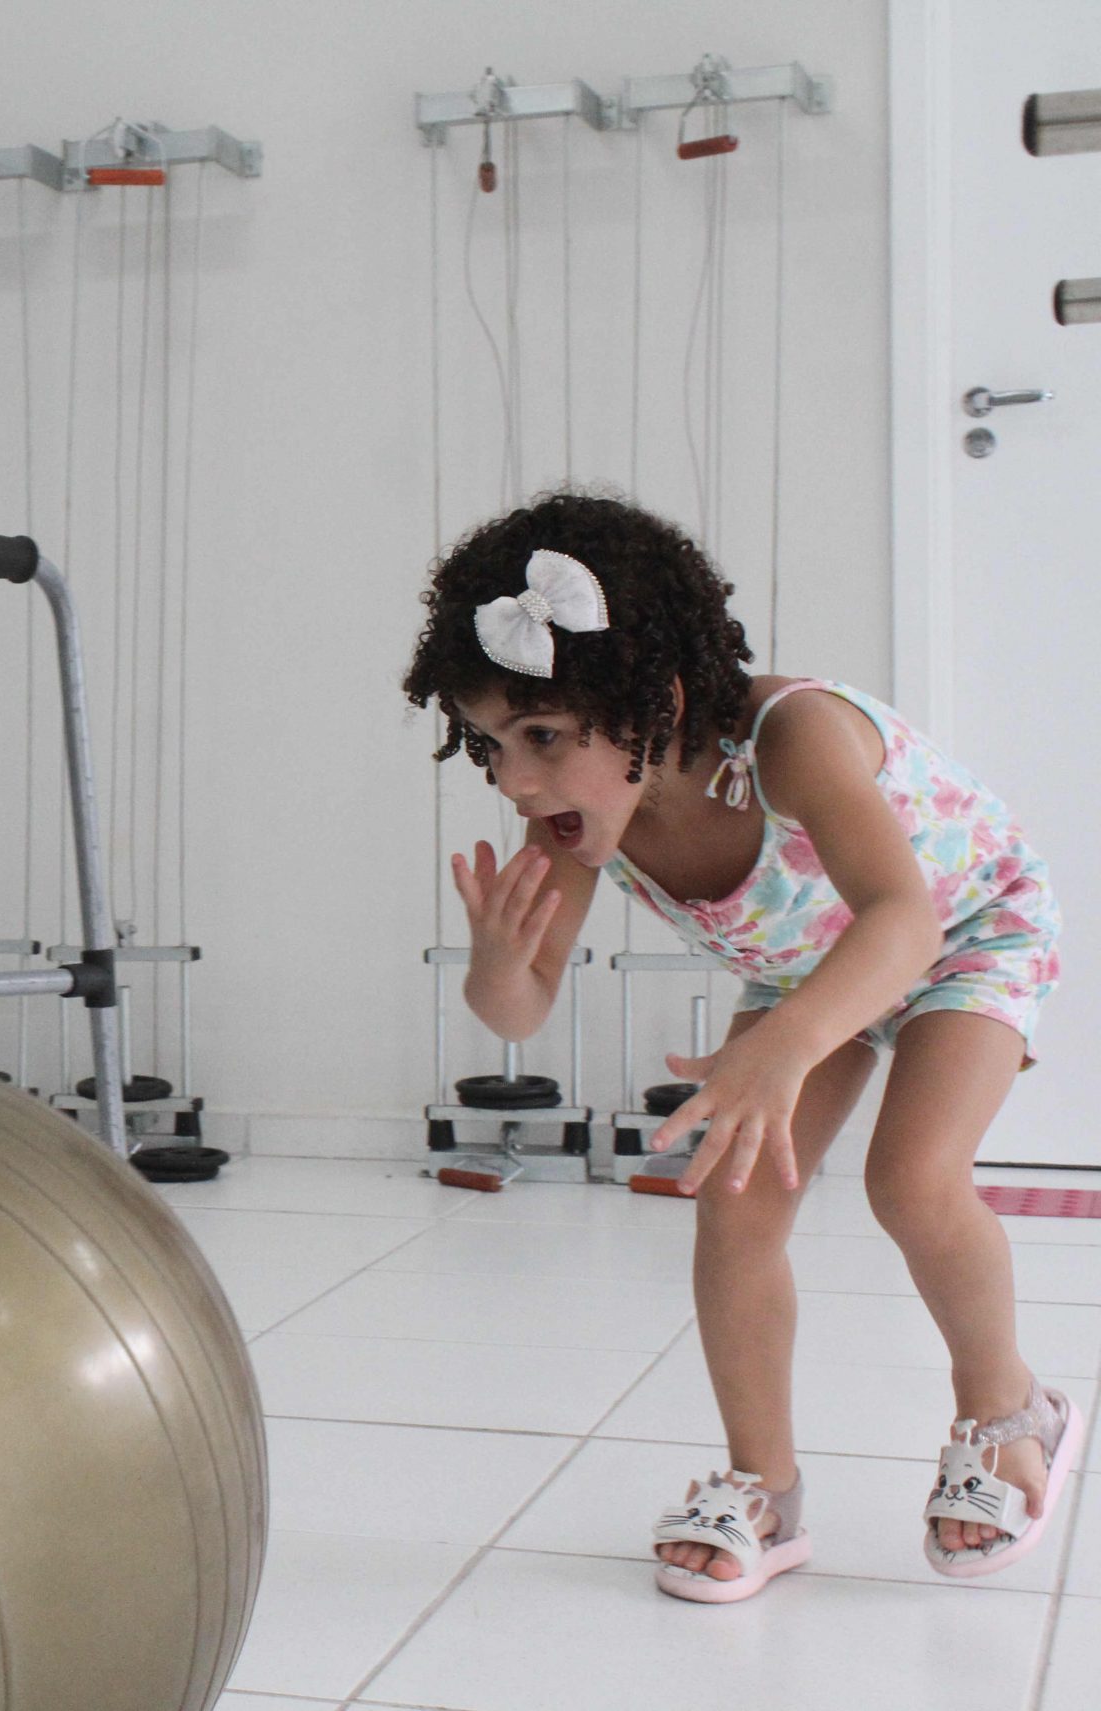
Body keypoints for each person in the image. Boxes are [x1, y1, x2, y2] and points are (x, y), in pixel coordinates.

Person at [400, 491, 1078, 1601]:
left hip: (960, 930)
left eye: (543, 736)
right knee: (734, 1200)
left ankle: (1010, 1410)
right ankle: (765, 1485)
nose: (516, 778)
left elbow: (901, 921)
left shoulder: (791, 736)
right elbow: (521, 1012)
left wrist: (786, 1046)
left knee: (911, 1178)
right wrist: (495, 968)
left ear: (655, 703)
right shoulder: (576, 818)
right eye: (491, 742)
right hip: (809, 964)